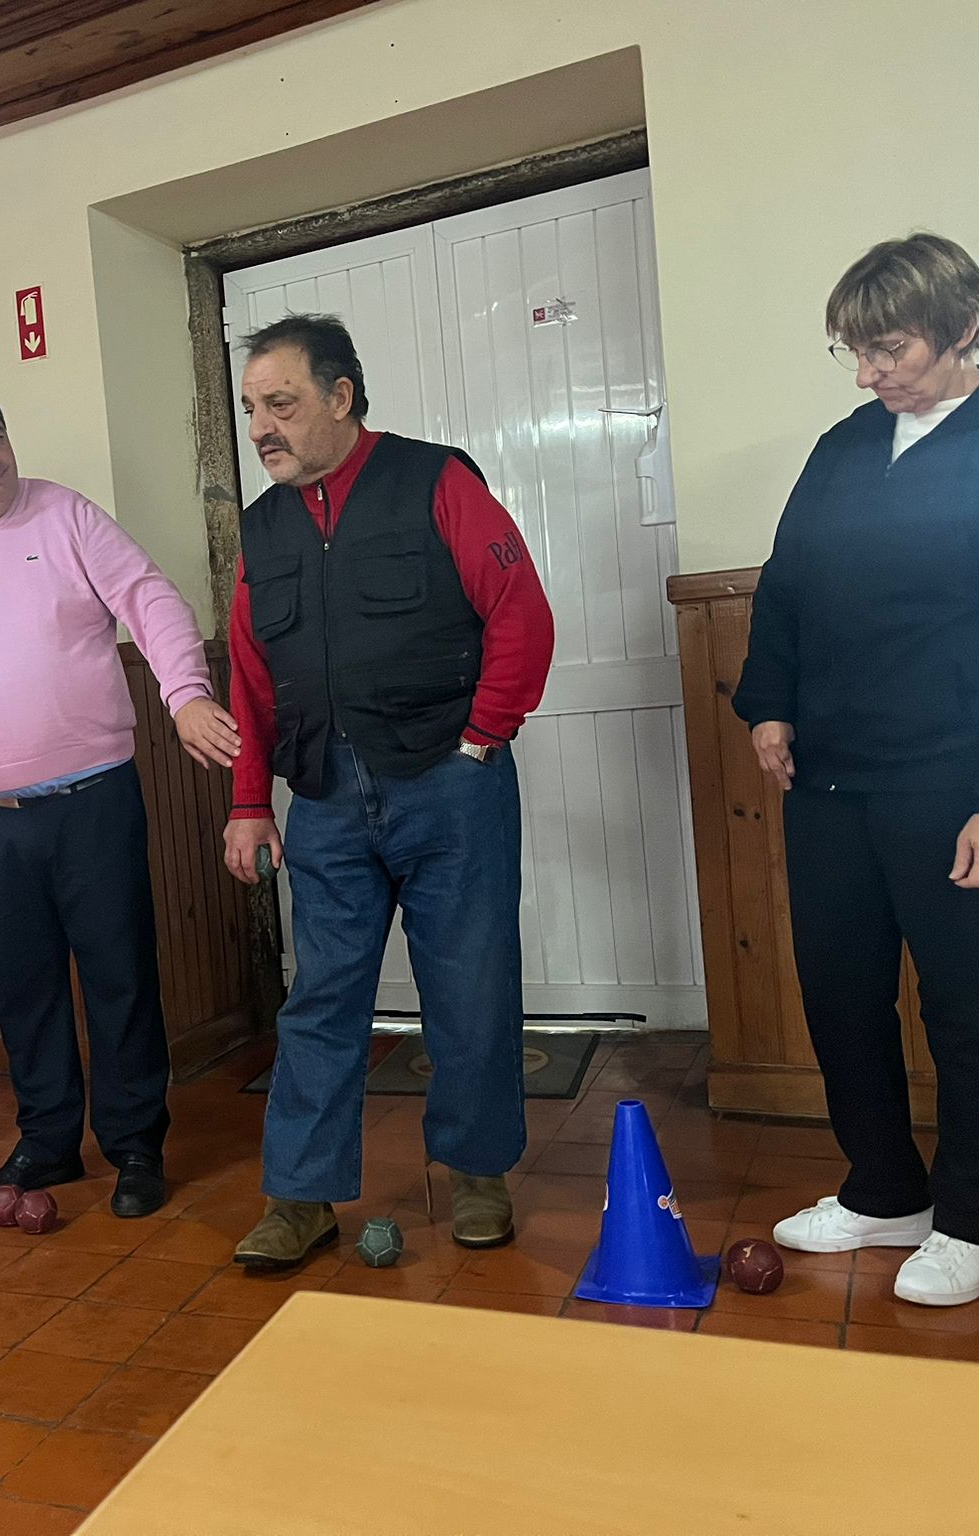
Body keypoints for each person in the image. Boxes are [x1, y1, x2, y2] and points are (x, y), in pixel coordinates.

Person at [735, 233, 979, 1306]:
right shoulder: (844, 447)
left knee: (966, 1008)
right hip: (829, 779)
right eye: (853, 352)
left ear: (963, 326)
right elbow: (784, 583)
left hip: (954, 786)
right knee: (839, 993)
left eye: (888, 349)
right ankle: (885, 1191)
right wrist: (769, 703)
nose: (867, 375)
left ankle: (978, 1225)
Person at [224, 314, 555, 1270]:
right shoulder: (263, 527)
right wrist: (249, 802)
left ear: (341, 396)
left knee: (470, 986)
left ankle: (478, 1174)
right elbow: (251, 674)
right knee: (319, 999)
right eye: (251, 409)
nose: (262, 428)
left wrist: (483, 736)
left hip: (449, 788)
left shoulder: (436, 481)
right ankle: (300, 1197)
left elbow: (520, 613)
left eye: (281, 404)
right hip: (324, 796)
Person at [0, 382, 240, 1219]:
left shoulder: (66, 516)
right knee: (22, 988)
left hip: (93, 804)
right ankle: (47, 1141)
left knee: (120, 976)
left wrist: (185, 692)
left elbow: (150, 598)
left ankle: (135, 1145)